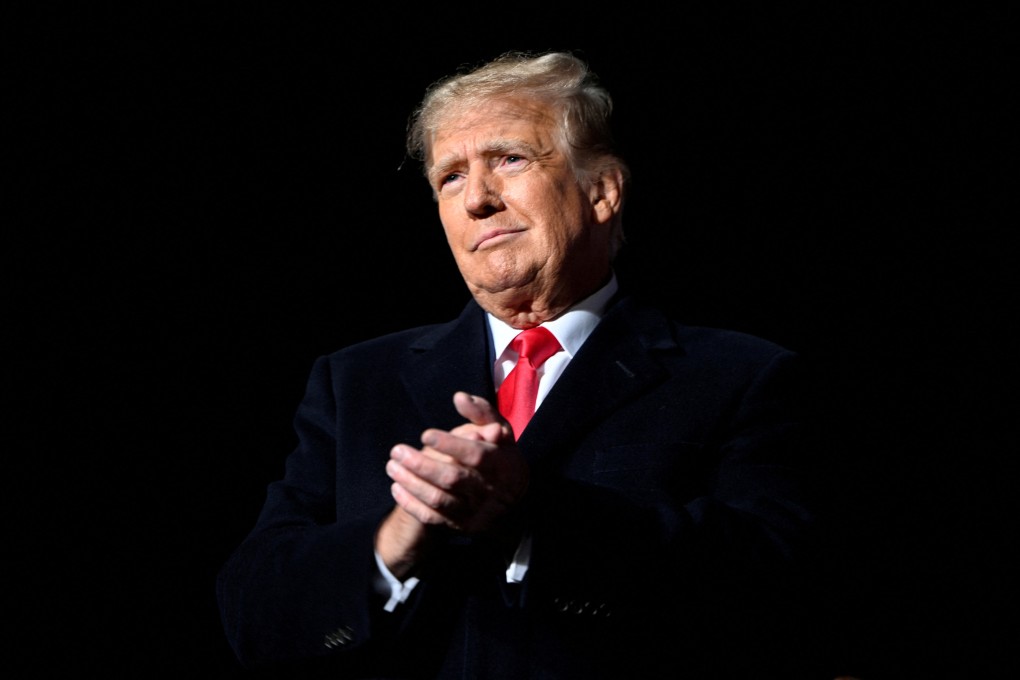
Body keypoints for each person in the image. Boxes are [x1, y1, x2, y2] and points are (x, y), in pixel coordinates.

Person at [216, 50, 834, 679]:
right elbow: (254, 612)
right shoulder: (353, 382)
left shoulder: (742, 377)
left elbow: (778, 595)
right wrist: (393, 542)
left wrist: (531, 517)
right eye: (450, 177)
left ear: (602, 192)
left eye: (509, 159)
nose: (477, 200)